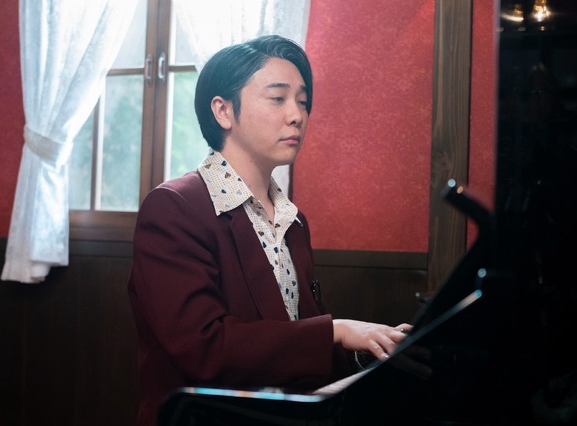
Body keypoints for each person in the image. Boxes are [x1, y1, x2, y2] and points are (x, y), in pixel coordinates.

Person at [127, 34, 414, 426]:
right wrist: (337, 330)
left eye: (303, 101)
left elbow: (295, 345)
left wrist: (375, 348)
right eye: (278, 98)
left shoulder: (292, 219)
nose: (297, 115)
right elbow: (204, 348)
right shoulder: (173, 207)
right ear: (223, 111)